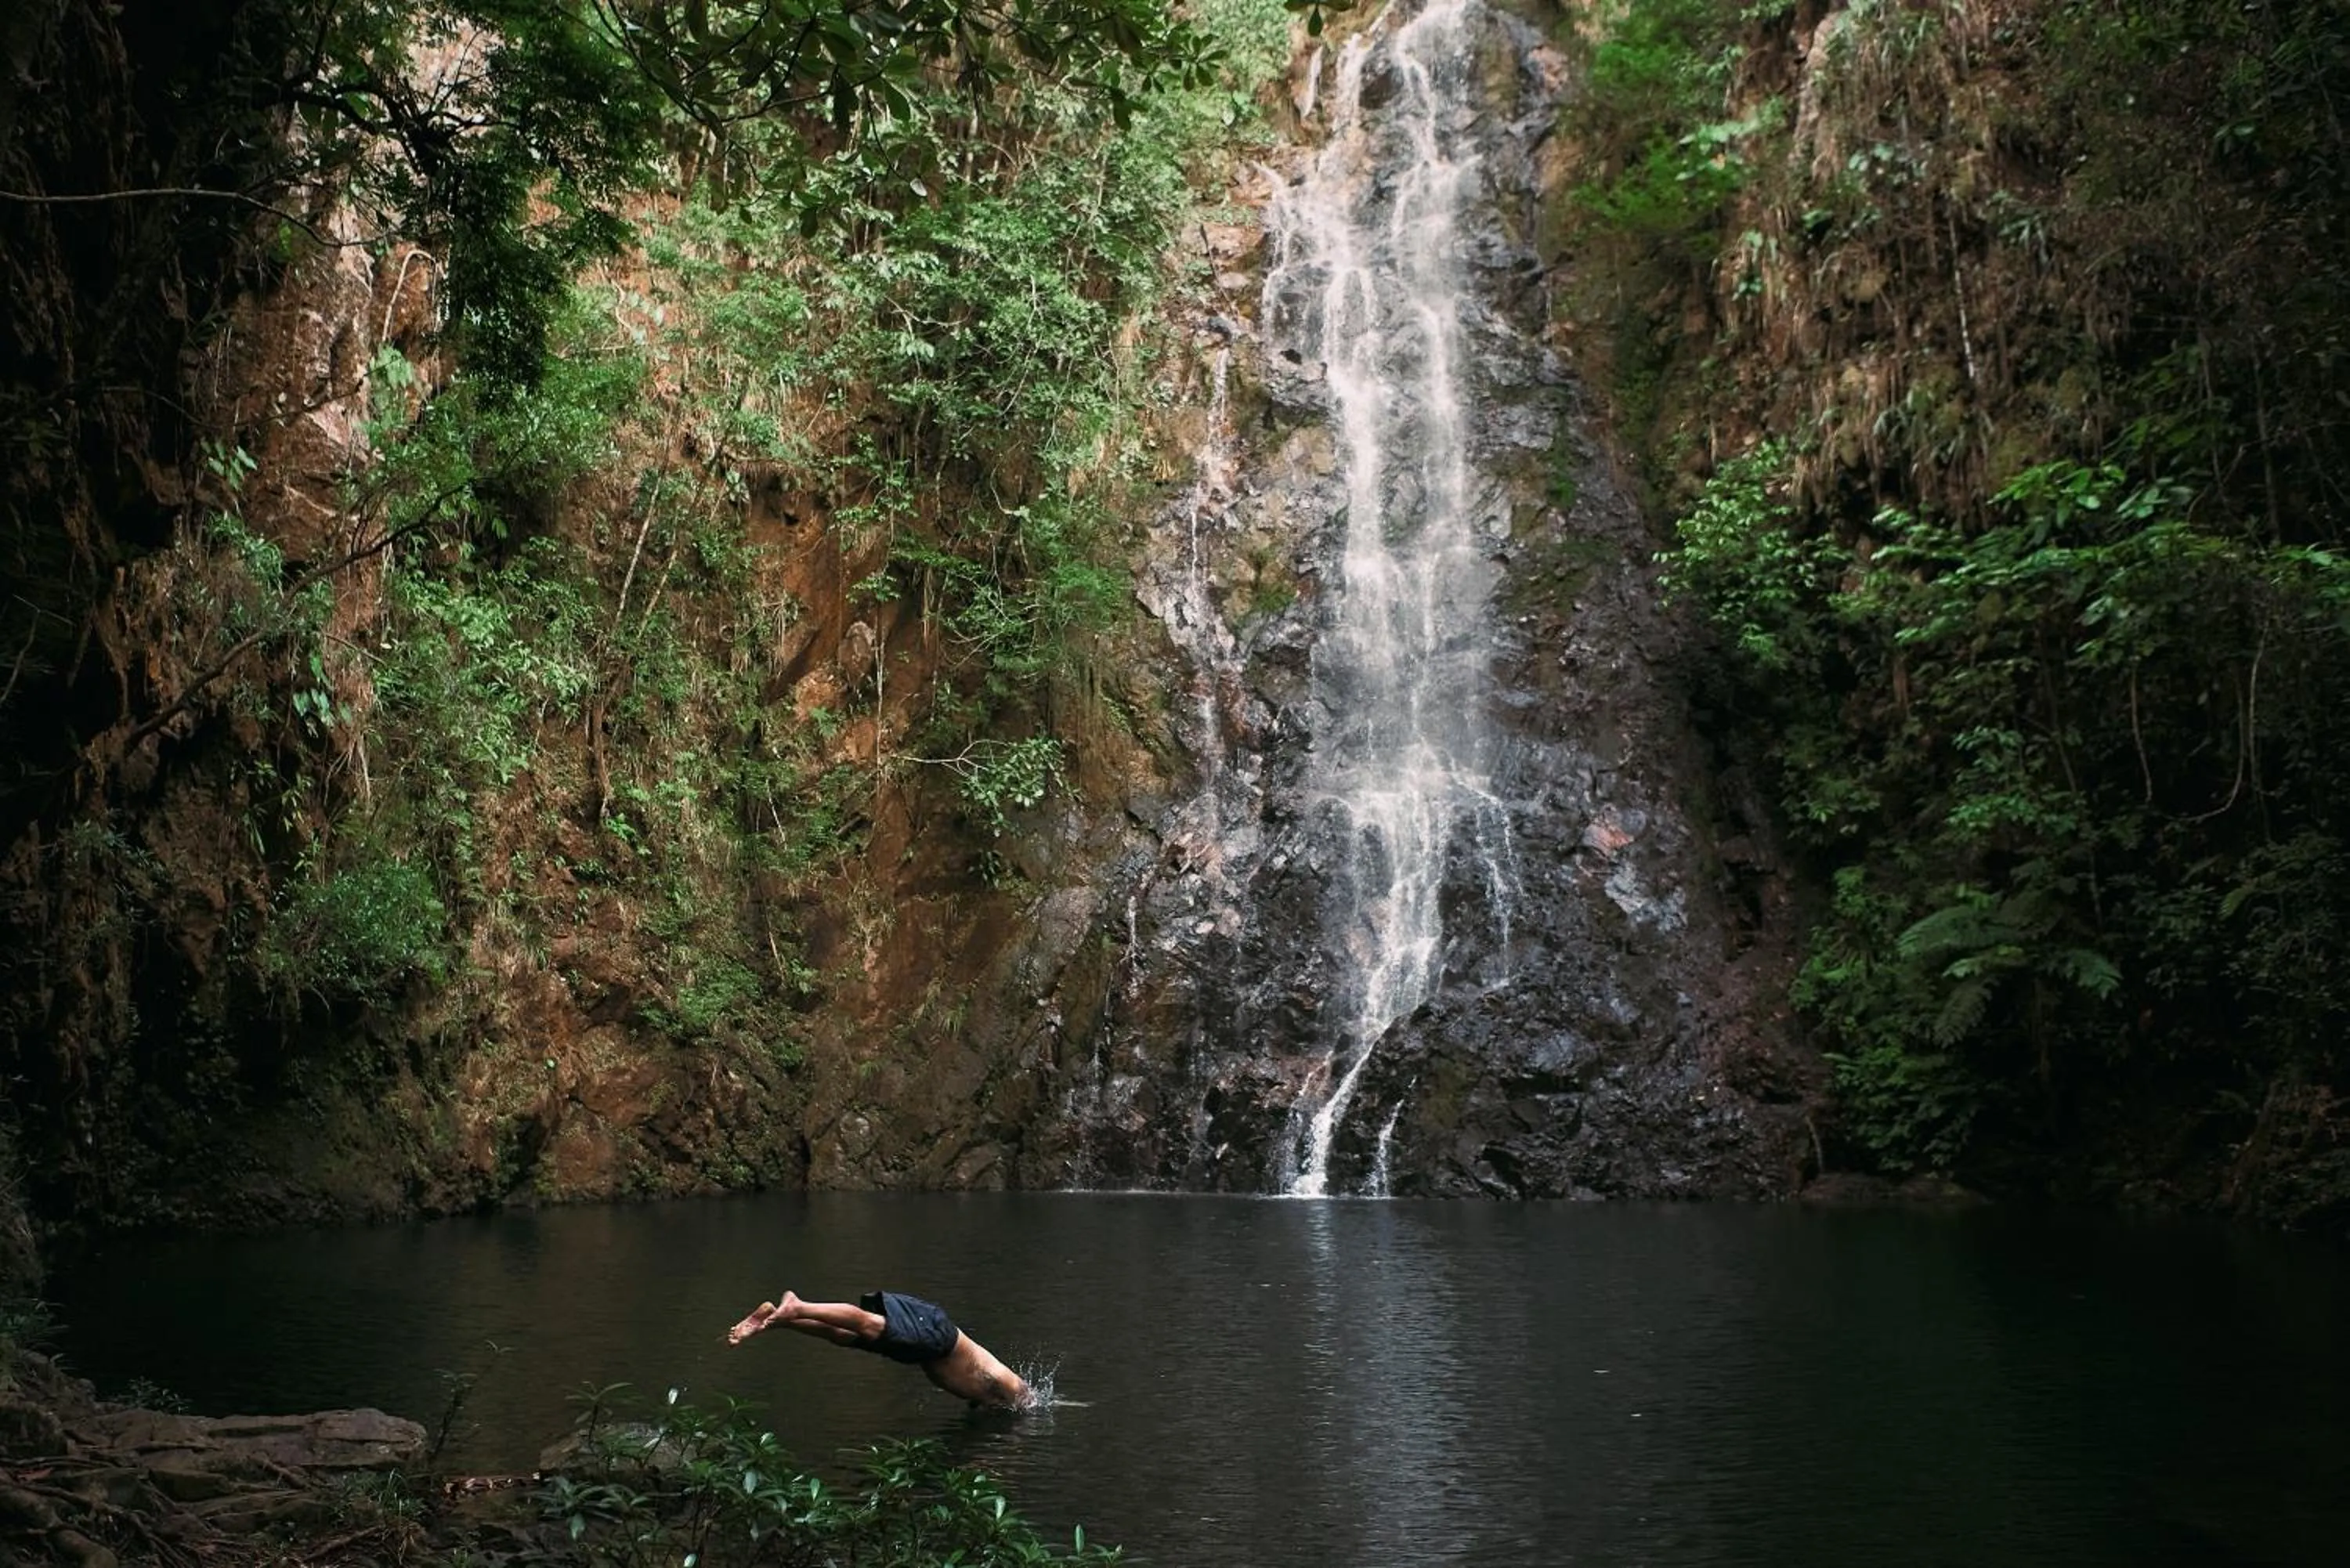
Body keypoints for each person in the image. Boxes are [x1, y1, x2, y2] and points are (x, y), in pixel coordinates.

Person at [727, 1289, 1034, 1411]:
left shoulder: (989, 1398)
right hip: (937, 1339)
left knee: (844, 1336)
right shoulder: (1011, 1388)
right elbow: (1016, 1389)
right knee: (868, 1325)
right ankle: (798, 1306)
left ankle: (778, 1320)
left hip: (925, 1351)